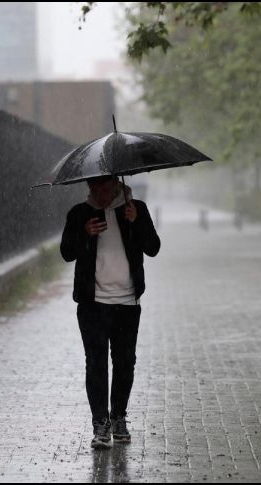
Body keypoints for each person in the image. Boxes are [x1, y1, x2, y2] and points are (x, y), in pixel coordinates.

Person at [60, 175, 161, 449]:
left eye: (105, 187)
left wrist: (136, 221)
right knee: (96, 364)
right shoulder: (80, 213)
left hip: (128, 302)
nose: (100, 193)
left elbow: (153, 247)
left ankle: (118, 417)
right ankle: (100, 423)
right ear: (89, 187)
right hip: (92, 304)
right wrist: (85, 233)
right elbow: (67, 253)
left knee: (125, 363)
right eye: (94, 188)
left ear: (116, 184)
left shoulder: (134, 208)